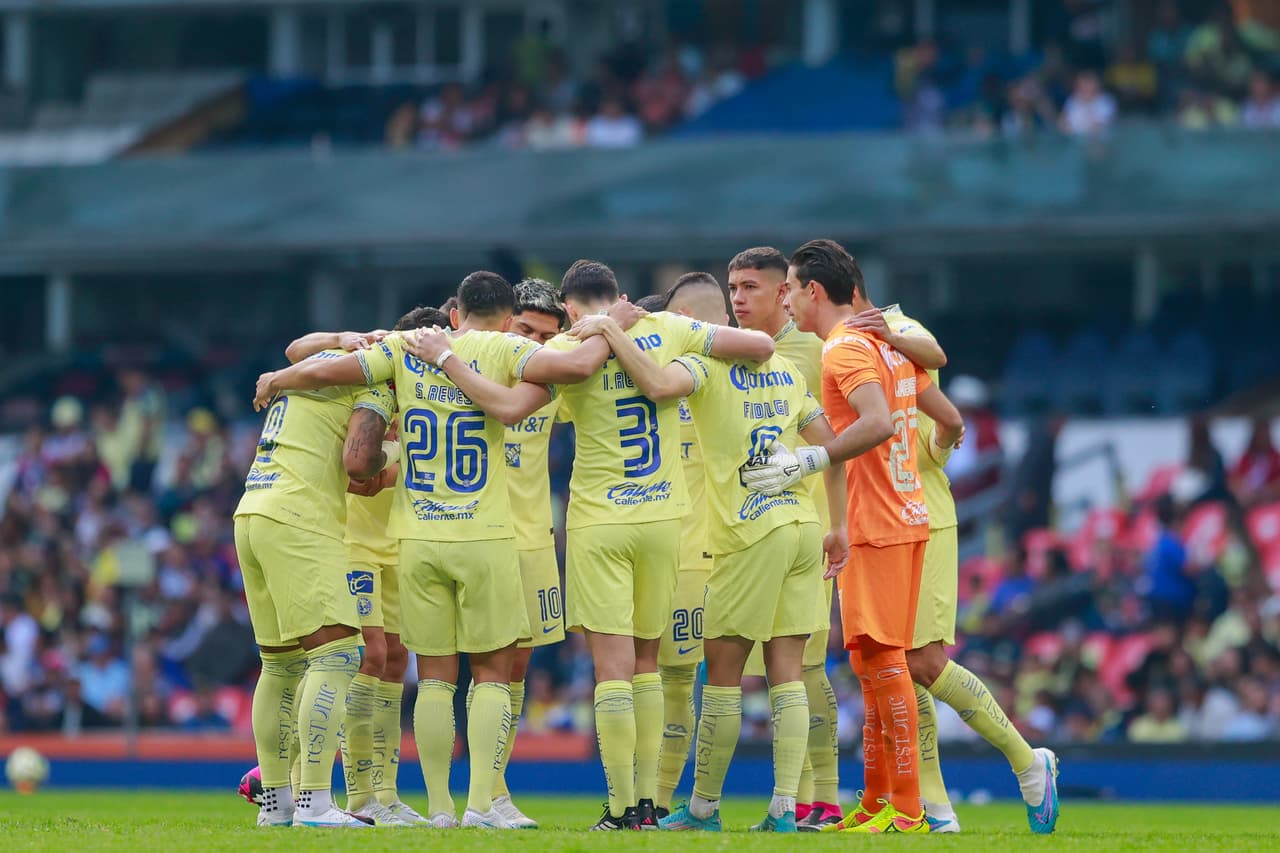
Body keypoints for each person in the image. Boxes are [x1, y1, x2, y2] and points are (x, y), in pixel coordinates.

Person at [411, 260, 774, 829]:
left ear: (570, 309)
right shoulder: (668, 329)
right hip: (665, 518)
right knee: (648, 666)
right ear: (619, 296)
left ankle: (621, 806)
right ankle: (649, 806)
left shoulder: (566, 353)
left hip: (599, 522)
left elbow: (515, 403)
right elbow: (759, 345)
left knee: (612, 672)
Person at [254, 271, 609, 828]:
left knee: (424, 674)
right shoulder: (502, 355)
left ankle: (429, 806)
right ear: (506, 320)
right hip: (477, 534)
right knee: (478, 670)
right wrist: (613, 326)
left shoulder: (404, 355)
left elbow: (313, 363)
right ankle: (458, 803)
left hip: (416, 538)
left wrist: (280, 377)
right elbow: (569, 373)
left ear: (455, 316)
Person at [572, 272, 849, 832]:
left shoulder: (704, 367)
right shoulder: (787, 371)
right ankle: (784, 811)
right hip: (802, 525)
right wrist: (836, 524)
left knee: (721, 677)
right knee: (788, 675)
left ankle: (702, 809)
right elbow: (833, 448)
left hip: (748, 532)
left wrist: (611, 329)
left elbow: (656, 384)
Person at [742, 238, 967, 834]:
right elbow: (942, 409)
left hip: (882, 522)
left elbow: (876, 423)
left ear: (813, 291)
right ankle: (876, 800)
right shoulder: (881, 343)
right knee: (870, 663)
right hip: (898, 515)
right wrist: (839, 522)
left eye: (789, 289)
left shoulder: (843, 349)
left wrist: (806, 461)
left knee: (885, 662)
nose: (785, 301)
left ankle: (909, 809)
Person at [850, 302, 1059, 833]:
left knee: (921, 661)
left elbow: (934, 375)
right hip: (876, 522)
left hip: (923, 516)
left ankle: (1027, 761)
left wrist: (944, 429)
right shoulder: (836, 345)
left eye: (793, 287)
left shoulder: (897, 329)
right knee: (895, 664)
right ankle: (936, 808)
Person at [281, 307, 449, 827]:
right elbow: (296, 352)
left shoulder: (433, 396)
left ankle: (384, 792)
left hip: (397, 542)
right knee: (367, 655)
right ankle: (343, 793)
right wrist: (343, 335)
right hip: (352, 541)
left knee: (395, 660)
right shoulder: (373, 376)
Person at [235, 327, 395, 828]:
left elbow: (293, 348)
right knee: (338, 655)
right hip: (300, 518)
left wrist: (345, 335)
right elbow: (359, 464)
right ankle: (316, 803)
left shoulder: (324, 359)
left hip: (252, 510)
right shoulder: (377, 381)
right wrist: (394, 458)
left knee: (280, 666)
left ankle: (276, 804)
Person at [725, 247, 843, 829]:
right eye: (733, 287)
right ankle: (792, 800)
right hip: (747, 528)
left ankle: (826, 797)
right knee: (775, 672)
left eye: (750, 287)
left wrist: (839, 524)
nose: (738, 298)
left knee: (804, 667)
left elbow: (842, 439)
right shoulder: (728, 352)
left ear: (784, 293)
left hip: (805, 528)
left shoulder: (817, 351)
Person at [476, 278, 570, 829]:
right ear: (505, 322)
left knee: (515, 667)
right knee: (424, 666)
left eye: (547, 337)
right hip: (470, 533)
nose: (535, 344)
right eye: (527, 330)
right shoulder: (467, 366)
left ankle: (495, 791)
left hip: (533, 539)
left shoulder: (552, 382)